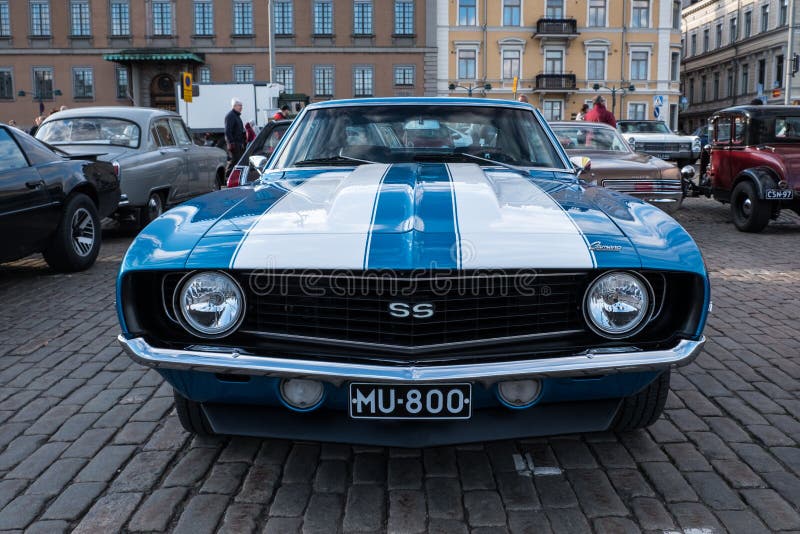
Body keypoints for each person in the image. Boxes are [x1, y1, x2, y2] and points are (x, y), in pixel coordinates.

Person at [224, 98, 246, 177]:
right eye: (239, 105)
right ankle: (226, 177)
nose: (241, 107)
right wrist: (231, 143)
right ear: (234, 106)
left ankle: (233, 177)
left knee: (237, 161)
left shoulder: (237, 116)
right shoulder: (230, 116)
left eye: (241, 105)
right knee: (234, 161)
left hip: (239, 143)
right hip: (234, 144)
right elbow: (227, 131)